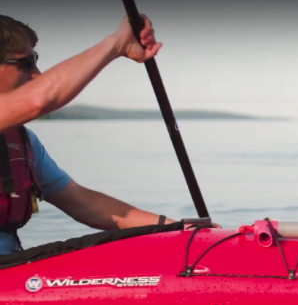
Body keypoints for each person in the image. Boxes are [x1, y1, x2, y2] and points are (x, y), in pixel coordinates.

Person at [0, 13, 180, 255]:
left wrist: (177, 228)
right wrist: (117, 43)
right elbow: (38, 99)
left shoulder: (24, 142)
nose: (37, 74)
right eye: (27, 62)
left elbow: (82, 203)